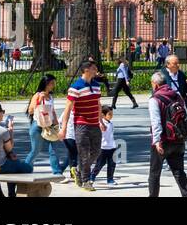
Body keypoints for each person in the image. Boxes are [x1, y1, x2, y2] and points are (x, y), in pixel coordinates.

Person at [59, 59, 105, 191]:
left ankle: (79, 170)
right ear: (86, 70)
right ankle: (86, 181)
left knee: (96, 152)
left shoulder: (96, 85)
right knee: (84, 153)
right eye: (94, 68)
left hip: (94, 124)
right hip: (81, 124)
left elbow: (98, 104)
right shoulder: (75, 87)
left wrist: (101, 121)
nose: (96, 70)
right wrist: (64, 128)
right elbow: (68, 108)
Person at [148, 72, 187, 197]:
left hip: (163, 141)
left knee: (154, 173)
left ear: (155, 85)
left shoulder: (155, 99)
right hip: (178, 140)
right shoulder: (177, 96)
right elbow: (184, 118)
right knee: (179, 173)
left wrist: (156, 141)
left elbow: (156, 122)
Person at [27, 75, 66, 176]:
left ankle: (57, 172)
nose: (54, 85)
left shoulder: (51, 97)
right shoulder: (38, 95)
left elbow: (52, 111)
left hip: (50, 125)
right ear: (46, 84)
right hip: (38, 125)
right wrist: (39, 100)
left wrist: (58, 126)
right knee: (36, 150)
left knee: (54, 149)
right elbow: (31, 110)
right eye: (52, 83)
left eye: (54, 83)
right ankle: (26, 167)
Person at [90, 105, 119, 186]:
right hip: (102, 148)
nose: (111, 116)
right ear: (102, 115)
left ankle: (110, 180)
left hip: (112, 147)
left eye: (112, 114)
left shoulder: (111, 123)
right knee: (99, 164)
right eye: (109, 114)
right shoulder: (100, 124)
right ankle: (92, 177)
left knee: (112, 164)